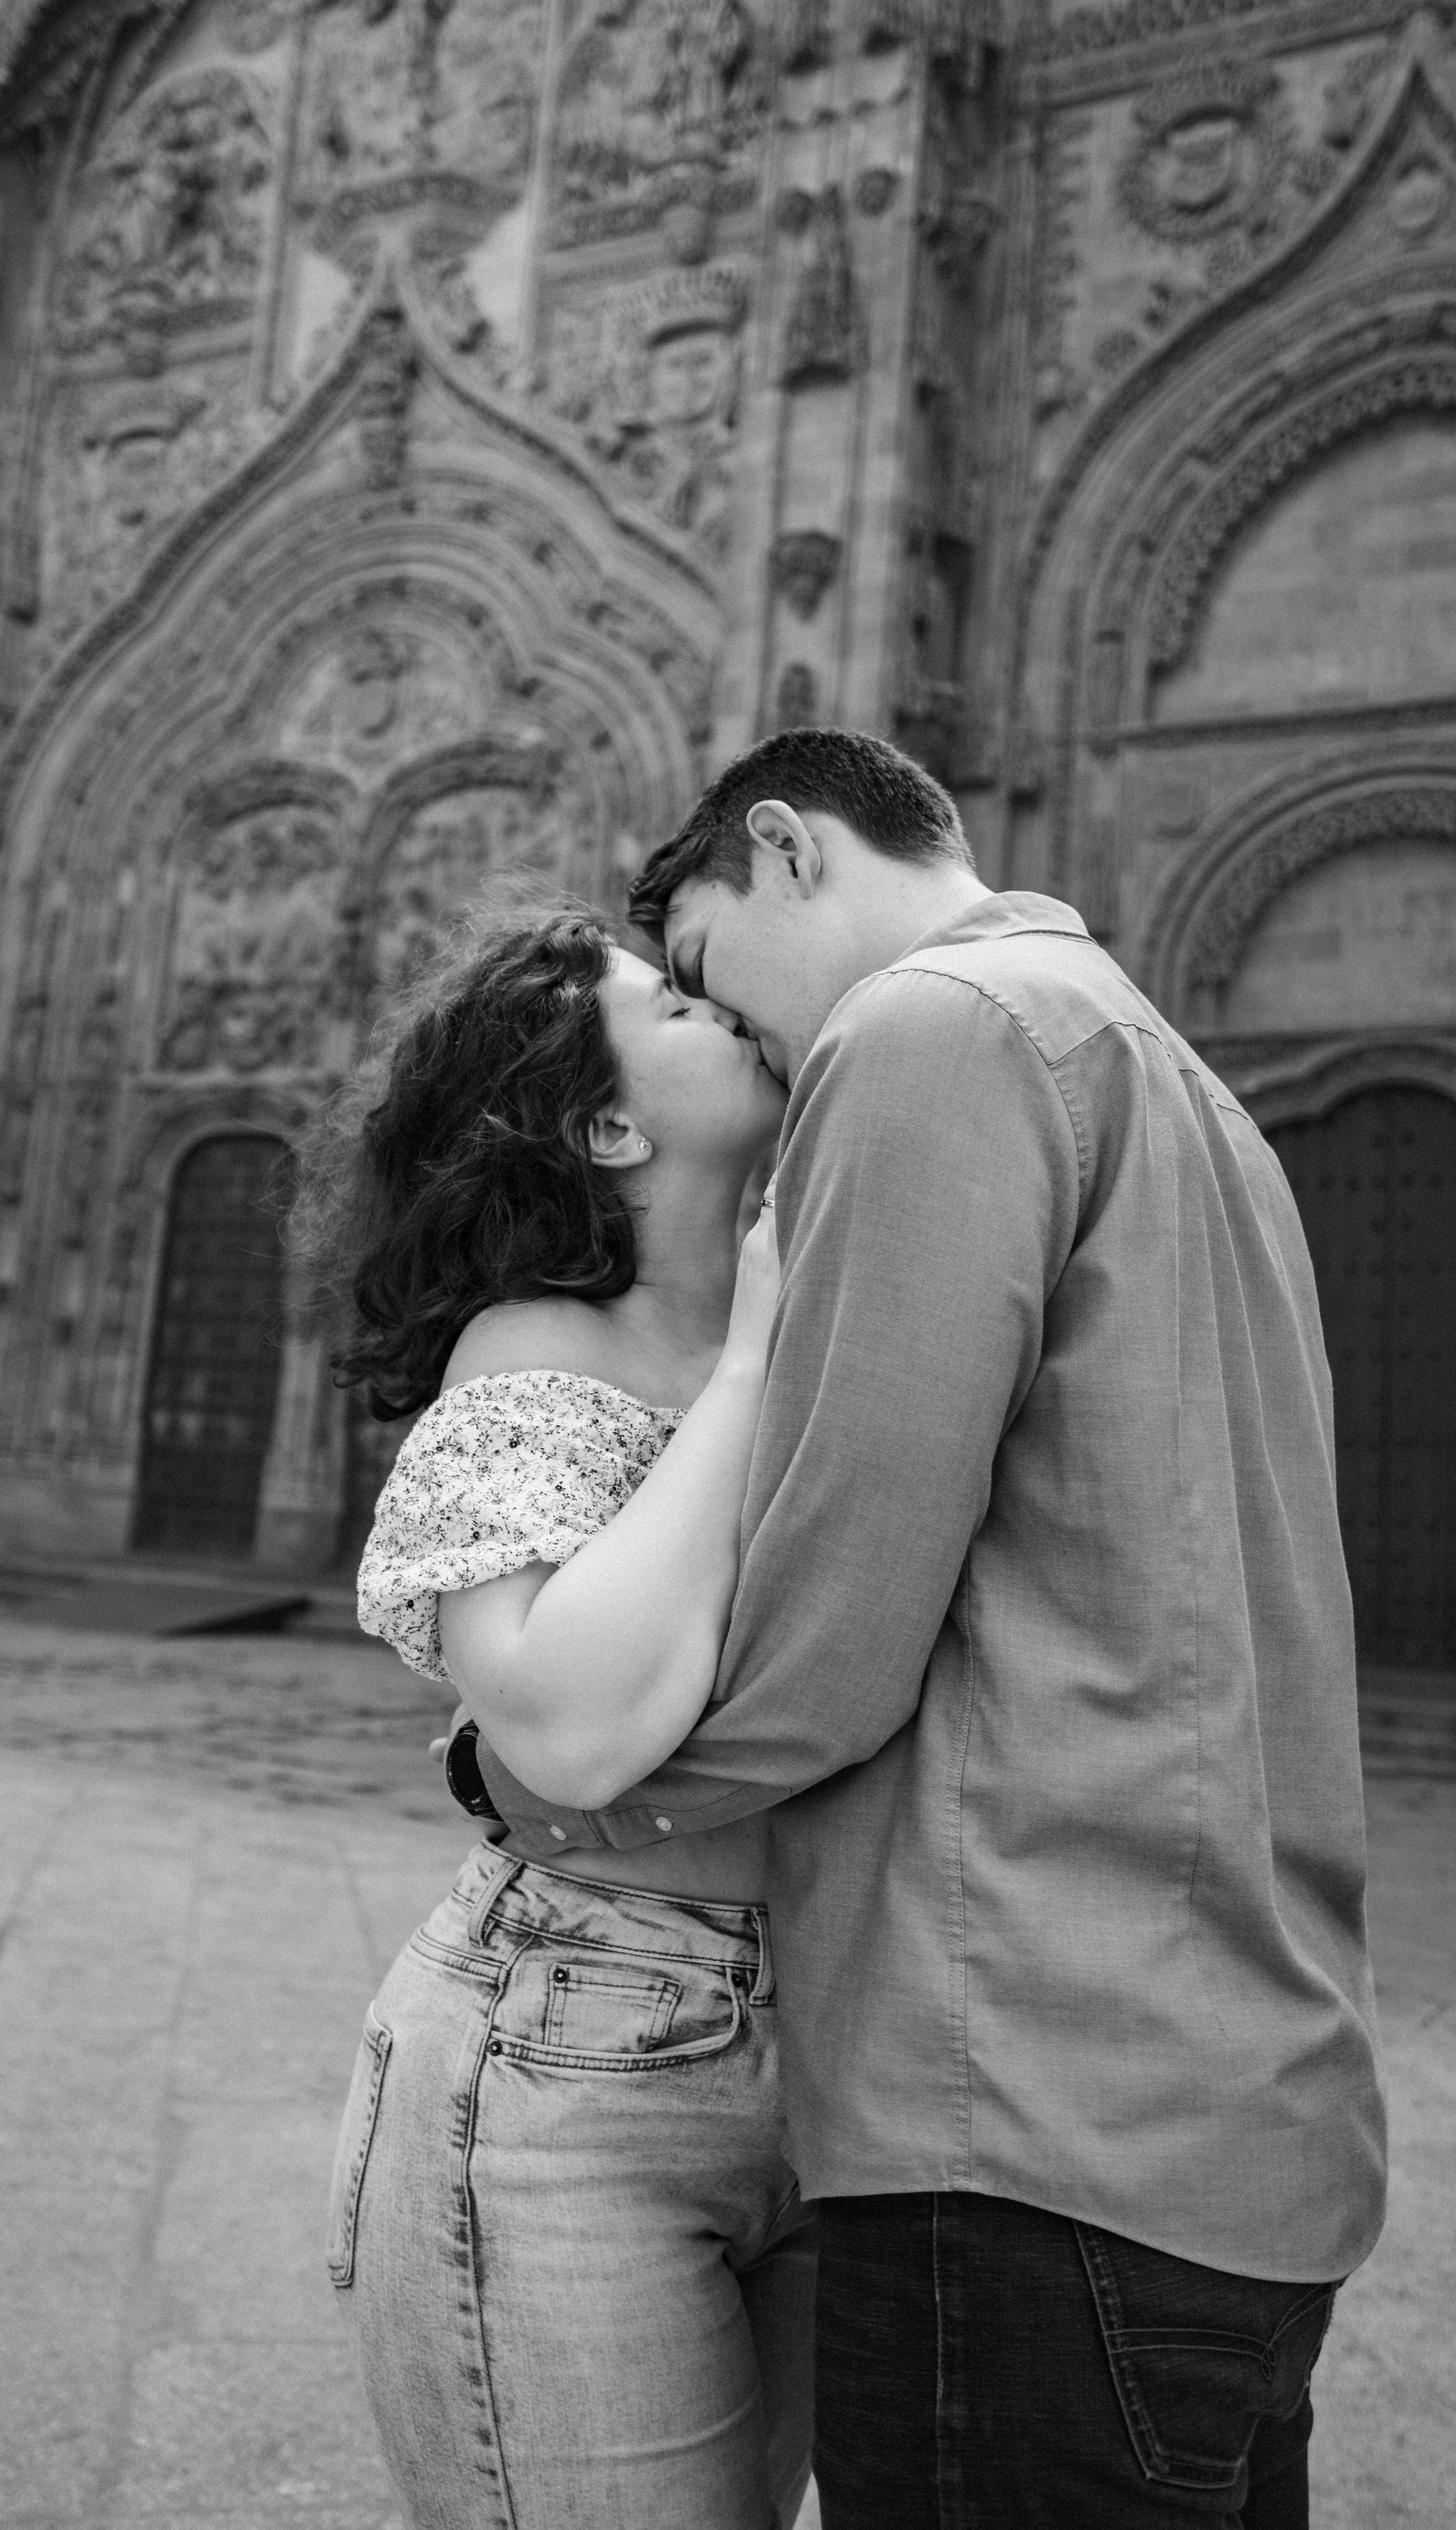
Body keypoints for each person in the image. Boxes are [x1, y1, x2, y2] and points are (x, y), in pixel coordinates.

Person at [467, 729, 1389, 2529]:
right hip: (1238, 2113)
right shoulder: (1172, 1072)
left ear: (789, 849)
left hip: (1031, 2118)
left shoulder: (930, 1033)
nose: (757, 1047)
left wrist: (548, 1794)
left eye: (721, 975)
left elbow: (835, 1623)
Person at [301, 907, 814, 2530]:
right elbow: (569, 1741)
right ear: (606, 1122)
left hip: (836, 2051)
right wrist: (744, 1370)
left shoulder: (836, 1304)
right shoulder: (534, 1349)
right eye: (671, 1003)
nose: (717, 1003)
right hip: (569, 2050)